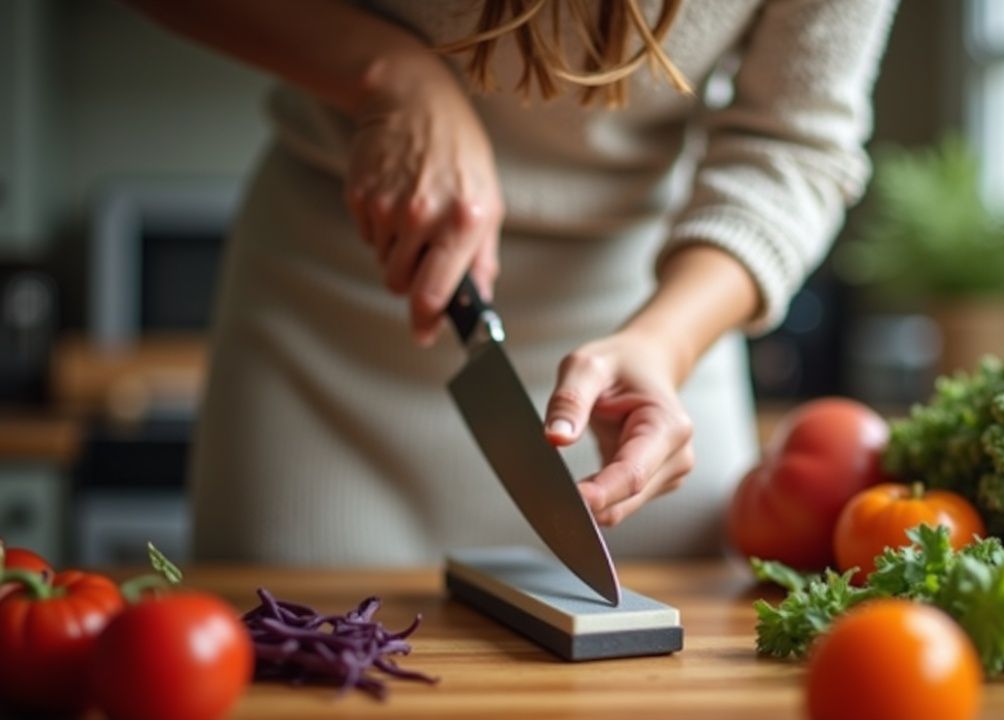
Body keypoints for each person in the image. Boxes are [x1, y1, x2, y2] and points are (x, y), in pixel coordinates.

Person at [125, 0, 897, 565]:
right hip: (336, 298)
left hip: (647, 329)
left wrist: (664, 345)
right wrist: (387, 74)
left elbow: (795, 146)